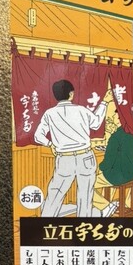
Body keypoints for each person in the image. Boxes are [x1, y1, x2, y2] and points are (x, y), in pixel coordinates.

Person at [34, 79, 109, 217]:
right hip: (85, 156)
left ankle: (44, 224)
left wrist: (50, 145)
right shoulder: (81, 110)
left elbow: (38, 136)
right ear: (71, 94)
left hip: (64, 158)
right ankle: (84, 226)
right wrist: (104, 103)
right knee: (85, 195)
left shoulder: (50, 113)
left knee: (55, 192)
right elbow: (96, 123)